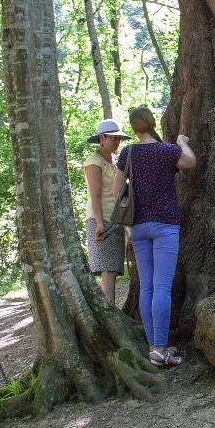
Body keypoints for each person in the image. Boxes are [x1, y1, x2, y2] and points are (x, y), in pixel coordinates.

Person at [114, 107, 196, 366]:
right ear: (151, 123)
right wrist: (182, 142)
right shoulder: (167, 151)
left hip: (138, 226)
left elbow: (117, 190)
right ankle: (160, 349)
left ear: (133, 127)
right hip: (165, 225)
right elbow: (190, 162)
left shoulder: (128, 153)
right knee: (162, 287)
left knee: (147, 287)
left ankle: (155, 348)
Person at [84, 119, 132, 302]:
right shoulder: (94, 162)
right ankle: (109, 309)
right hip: (101, 219)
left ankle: (109, 309)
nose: (117, 142)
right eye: (113, 138)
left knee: (112, 269)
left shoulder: (115, 160)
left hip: (116, 219)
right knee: (108, 271)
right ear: (102, 138)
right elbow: (95, 195)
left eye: (119, 139)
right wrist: (99, 223)